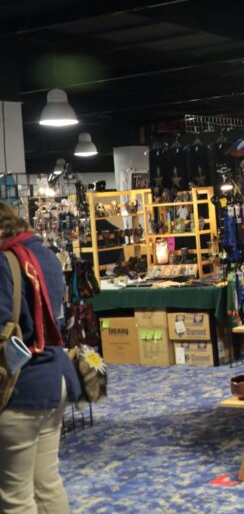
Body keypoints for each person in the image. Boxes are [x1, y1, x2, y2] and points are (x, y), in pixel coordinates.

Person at [0, 202, 81, 514]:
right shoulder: (43, 254)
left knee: (15, 497)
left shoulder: (5, 262)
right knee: (46, 484)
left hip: (21, 388)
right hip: (54, 378)